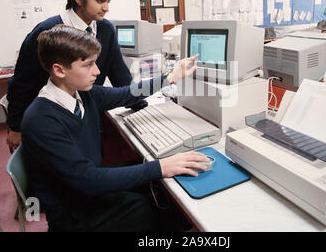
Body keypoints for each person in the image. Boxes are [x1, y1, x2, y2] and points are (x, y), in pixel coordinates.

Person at [21, 25, 208, 232]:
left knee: (157, 188)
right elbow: (87, 179)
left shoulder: (81, 94)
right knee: (145, 209)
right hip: (71, 213)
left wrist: (169, 78)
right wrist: (160, 166)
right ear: (59, 69)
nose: (97, 71)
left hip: (84, 187)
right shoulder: (41, 120)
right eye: (88, 65)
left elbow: (127, 93)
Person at [6, 0, 146, 152]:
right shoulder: (46, 32)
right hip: (52, 119)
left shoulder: (106, 30)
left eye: (108, 1)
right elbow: (22, 84)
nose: (106, 8)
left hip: (85, 116)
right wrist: (15, 127)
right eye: (100, 0)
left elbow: (120, 74)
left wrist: (142, 108)